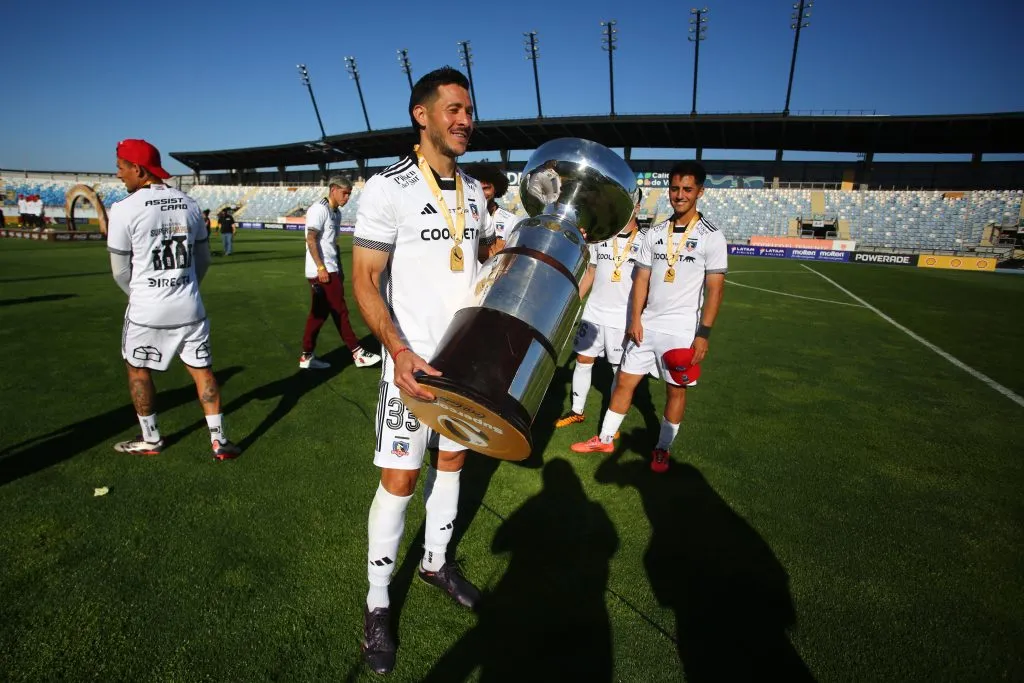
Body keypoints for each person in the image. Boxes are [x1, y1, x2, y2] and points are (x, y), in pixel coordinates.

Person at [351, 66, 495, 675]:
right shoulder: (388, 189)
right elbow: (364, 280)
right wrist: (399, 350)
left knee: (454, 464)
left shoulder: (474, 192)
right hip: (409, 369)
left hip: (465, 368)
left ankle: (436, 560)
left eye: (470, 111)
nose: (466, 120)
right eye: (455, 109)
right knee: (401, 483)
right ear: (423, 114)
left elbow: (478, 263)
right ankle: (378, 603)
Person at [570, 161, 727, 474]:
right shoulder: (654, 234)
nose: (679, 195)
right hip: (647, 326)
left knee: (674, 391)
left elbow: (715, 290)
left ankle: (662, 449)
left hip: (681, 331)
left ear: (700, 192)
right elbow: (640, 279)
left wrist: (703, 334)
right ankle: (605, 438)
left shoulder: (711, 236)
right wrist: (636, 320)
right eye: (675, 188)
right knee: (624, 382)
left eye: (687, 189)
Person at [106, 138, 242, 461]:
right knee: (202, 370)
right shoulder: (190, 204)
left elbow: (119, 271)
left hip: (146, 310)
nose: (118, 175)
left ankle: (151, 439)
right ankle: (219, 441)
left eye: (121, 167)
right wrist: (184, 285)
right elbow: (204, 260)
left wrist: (144, 294)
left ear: (138, 169)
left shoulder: (124, 209)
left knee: (138, 370)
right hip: (189, 307)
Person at [555, 202, 644, 430]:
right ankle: (577, 411)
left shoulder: (646, 240)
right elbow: (591, 272)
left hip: (622, 316)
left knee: (618, 369)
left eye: (631, 203)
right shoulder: (601, 237)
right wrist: (573, 301)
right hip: (594, 311)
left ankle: (611, 423)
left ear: (638, 207)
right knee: (583, 360)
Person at [299, 176, 381, 370]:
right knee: (340, 311)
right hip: (322, 272)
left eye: (349, 194)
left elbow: (332, 244)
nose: (347, 198)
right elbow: (311, 239)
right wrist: (321, 268)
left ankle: (306, 356)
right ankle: (357, 353)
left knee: (318, 315)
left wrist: (340, 269)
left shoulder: (335, 213)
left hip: (331, 269)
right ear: (333, 189)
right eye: (345, 193)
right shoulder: (319, 209)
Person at [466, 163, 517, 252]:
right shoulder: (461, 218)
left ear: (496, 188)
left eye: (486, 188)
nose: (481, 194)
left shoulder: (512, 221)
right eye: (476, 189)